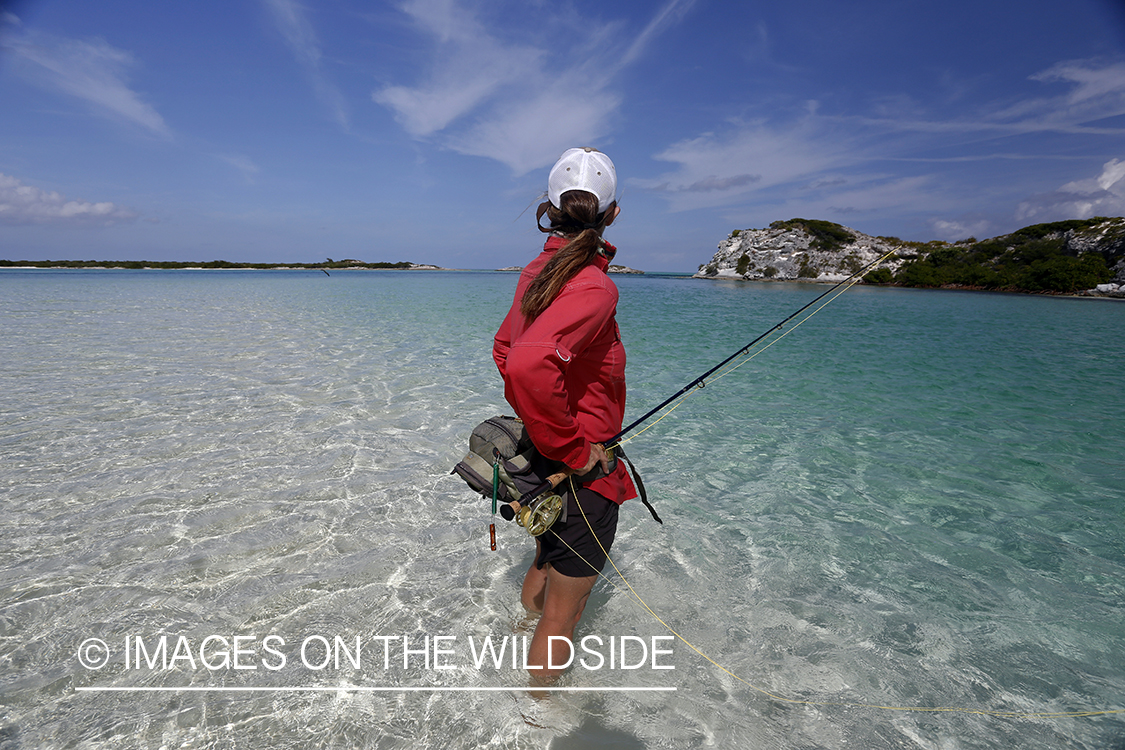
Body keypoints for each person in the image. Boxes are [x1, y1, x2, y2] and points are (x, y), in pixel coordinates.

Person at [493, 147, 636, 684]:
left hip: (542, 452)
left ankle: (516, 635)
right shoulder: (596, 284)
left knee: (546, 560)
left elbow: (505, 351)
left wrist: (543, 433)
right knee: (564, 616)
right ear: (613, 212)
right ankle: (537, 721)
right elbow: (528, 365)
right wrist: (576, 451)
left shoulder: (538, 268)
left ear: (549, 207)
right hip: (582, 467)